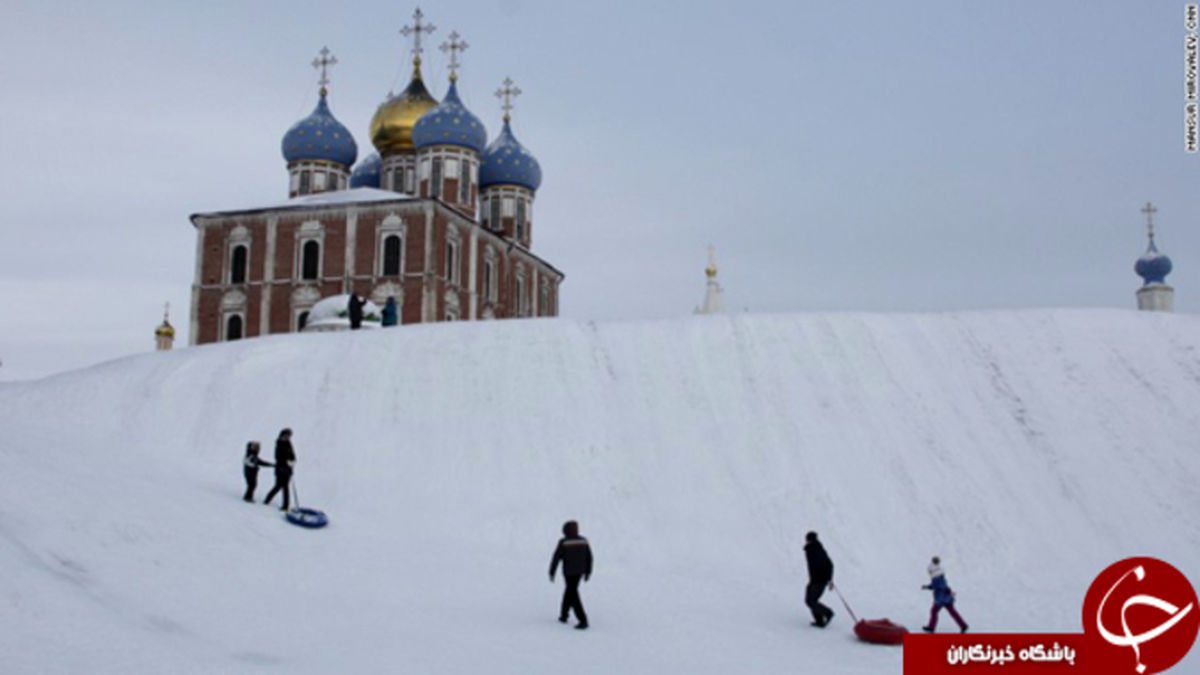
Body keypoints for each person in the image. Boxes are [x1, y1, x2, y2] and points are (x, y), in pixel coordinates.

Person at [549, 520, 593, 630]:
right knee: (569, 591)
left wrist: (552, 571)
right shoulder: (584, 541)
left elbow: (556, 557)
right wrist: (588, 571)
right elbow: (589, 557)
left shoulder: (564, 542)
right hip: (580, 572)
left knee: (573, 594)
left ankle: (583, 620)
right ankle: (564, 615)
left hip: (568, 572)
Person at [922, 556, 968, 633]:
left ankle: (931, 627)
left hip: (940, 599)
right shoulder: (941, 574)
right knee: (953, 612)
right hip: (948, 597)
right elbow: (941, 585)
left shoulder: (935, 575)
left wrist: (927, 587)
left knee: (934, 611)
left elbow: (936, 585)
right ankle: (963, 625)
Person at [804, 531, 835, 627]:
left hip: (818, 581)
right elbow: (830, 564)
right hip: (815, 580)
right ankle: (820, 620)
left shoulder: (814, 550)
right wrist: (829, 579)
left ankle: (828, 613)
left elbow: (826, 564)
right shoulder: (818, 549)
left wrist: (828, 579)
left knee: (811, 601)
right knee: (809, 600)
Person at [263, 428, 296, 511]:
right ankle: (267, 499)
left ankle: (285, 505)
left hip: (288, 469)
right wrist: (283, 466)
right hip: (280, 469)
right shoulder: (279, 444)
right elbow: (278, 458)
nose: (287, 437)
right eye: (286, 435)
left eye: (289, 436)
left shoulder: (289, 444)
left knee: (285, 487)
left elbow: (292, 455)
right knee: (278, 486)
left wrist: (292, 461)